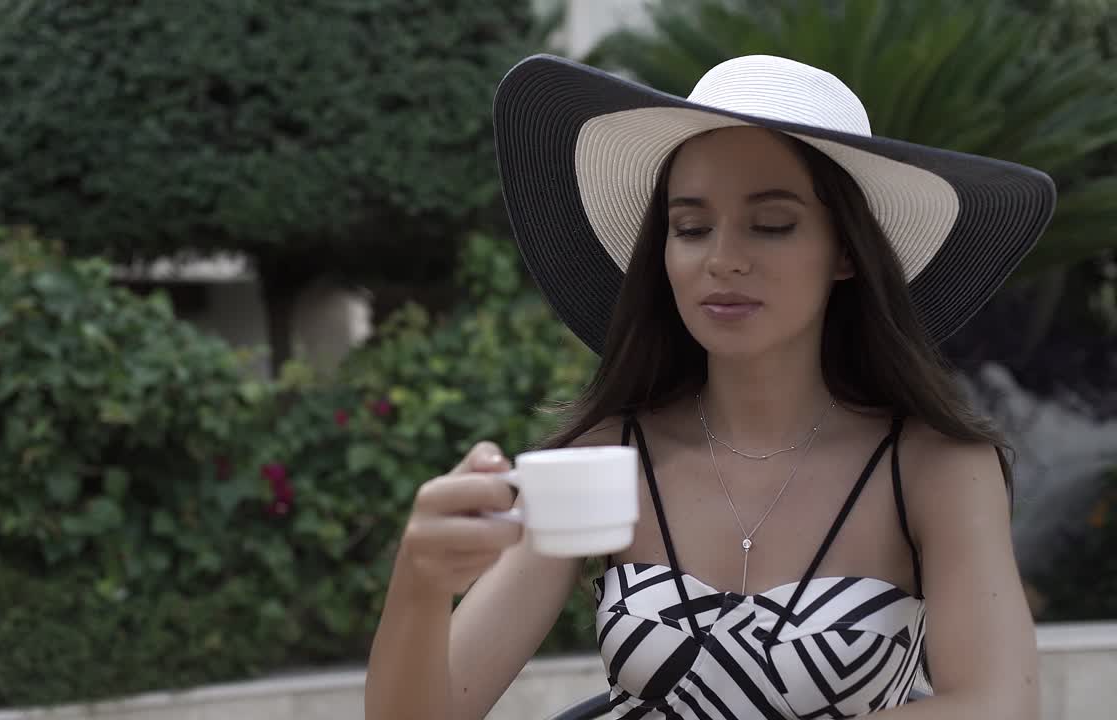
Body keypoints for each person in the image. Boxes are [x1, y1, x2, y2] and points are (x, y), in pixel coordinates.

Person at [365, 53, 1055, 720]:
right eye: (691, 227)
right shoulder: (607, 457)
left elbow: (996, 705)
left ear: (845, 250)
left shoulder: (936, 467)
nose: (723, 259)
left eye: (771, 225)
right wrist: (421, 580)